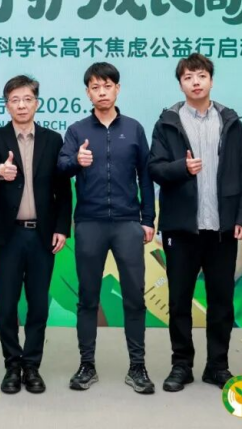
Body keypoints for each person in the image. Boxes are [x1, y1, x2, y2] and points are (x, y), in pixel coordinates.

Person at [148, 53, 242, 392]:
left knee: (221, 301)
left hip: (222, 229)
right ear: (180, 84)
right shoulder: (167, 122)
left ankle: (217, 366)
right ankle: (181, 365)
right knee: (179, 301)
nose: (195, 82)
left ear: (211, 80)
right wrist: (182, 168)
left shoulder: (230, 122)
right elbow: (155, 169)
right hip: (181, 229)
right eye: (188, 77)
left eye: (201, 76)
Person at [57, 62, 157, 394]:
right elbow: (61, 167)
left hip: (128, 223)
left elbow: (146, 176)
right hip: (90, 223)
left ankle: (137, 367)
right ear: (88, 93)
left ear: (117, 89)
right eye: (95, 87)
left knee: (134, 298)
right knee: (88, 298)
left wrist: (147, 219)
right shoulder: (77, 131)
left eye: (107, 86)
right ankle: (86, 365)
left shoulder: (134, 129)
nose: (102, 92)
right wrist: (77, 161)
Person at [0, 75, 72, 394]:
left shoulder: (53, 139)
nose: (21, 105)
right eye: (15, 100)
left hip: (42, 235)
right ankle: (12, 365)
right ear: (7, 105)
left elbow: (63, 189)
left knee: (38, 304)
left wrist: (62, 227)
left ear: (37, 103)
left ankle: (31, 365)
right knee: (7, 304)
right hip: (8, 236)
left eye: (27, 99)